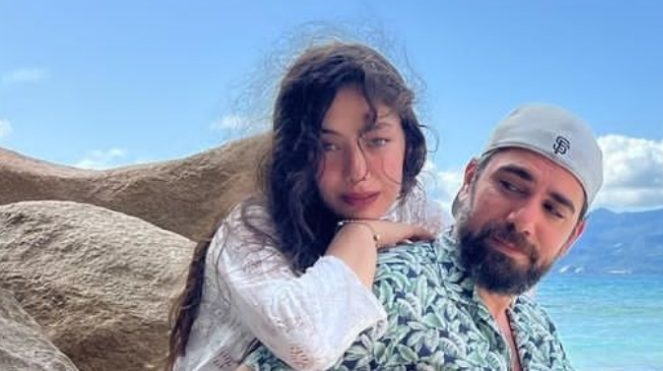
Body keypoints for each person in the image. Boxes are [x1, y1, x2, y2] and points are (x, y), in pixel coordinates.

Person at [242, 103, 603, 370]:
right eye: (510, 185)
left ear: (573, 237)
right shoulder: (388, 288)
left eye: (553, 210)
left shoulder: (538, 330)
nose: (523, 220)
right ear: (470, 180)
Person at [167, 42, 446, 371]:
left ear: (408, 142)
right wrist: (359, 235)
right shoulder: (252, 229)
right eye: (327, 146)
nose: (357, 171)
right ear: (297, 155)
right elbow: (307, 346)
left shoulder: (419, 214)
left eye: (377, 141)